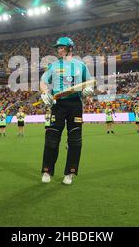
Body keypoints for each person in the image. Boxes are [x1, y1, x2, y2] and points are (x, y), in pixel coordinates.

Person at [39, 37, 94, 185]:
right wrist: (45, 93)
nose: (59, 50)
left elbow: (88, 83)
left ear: (70, 48)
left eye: (62, 47)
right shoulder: (53, 65)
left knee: (75, 140)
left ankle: (69, 173)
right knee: (51, 138)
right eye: (58, 47)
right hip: (58, 105)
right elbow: (43, 82)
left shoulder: (81, 65)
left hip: (75, 104)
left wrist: (88, 90)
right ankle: (47, 171)